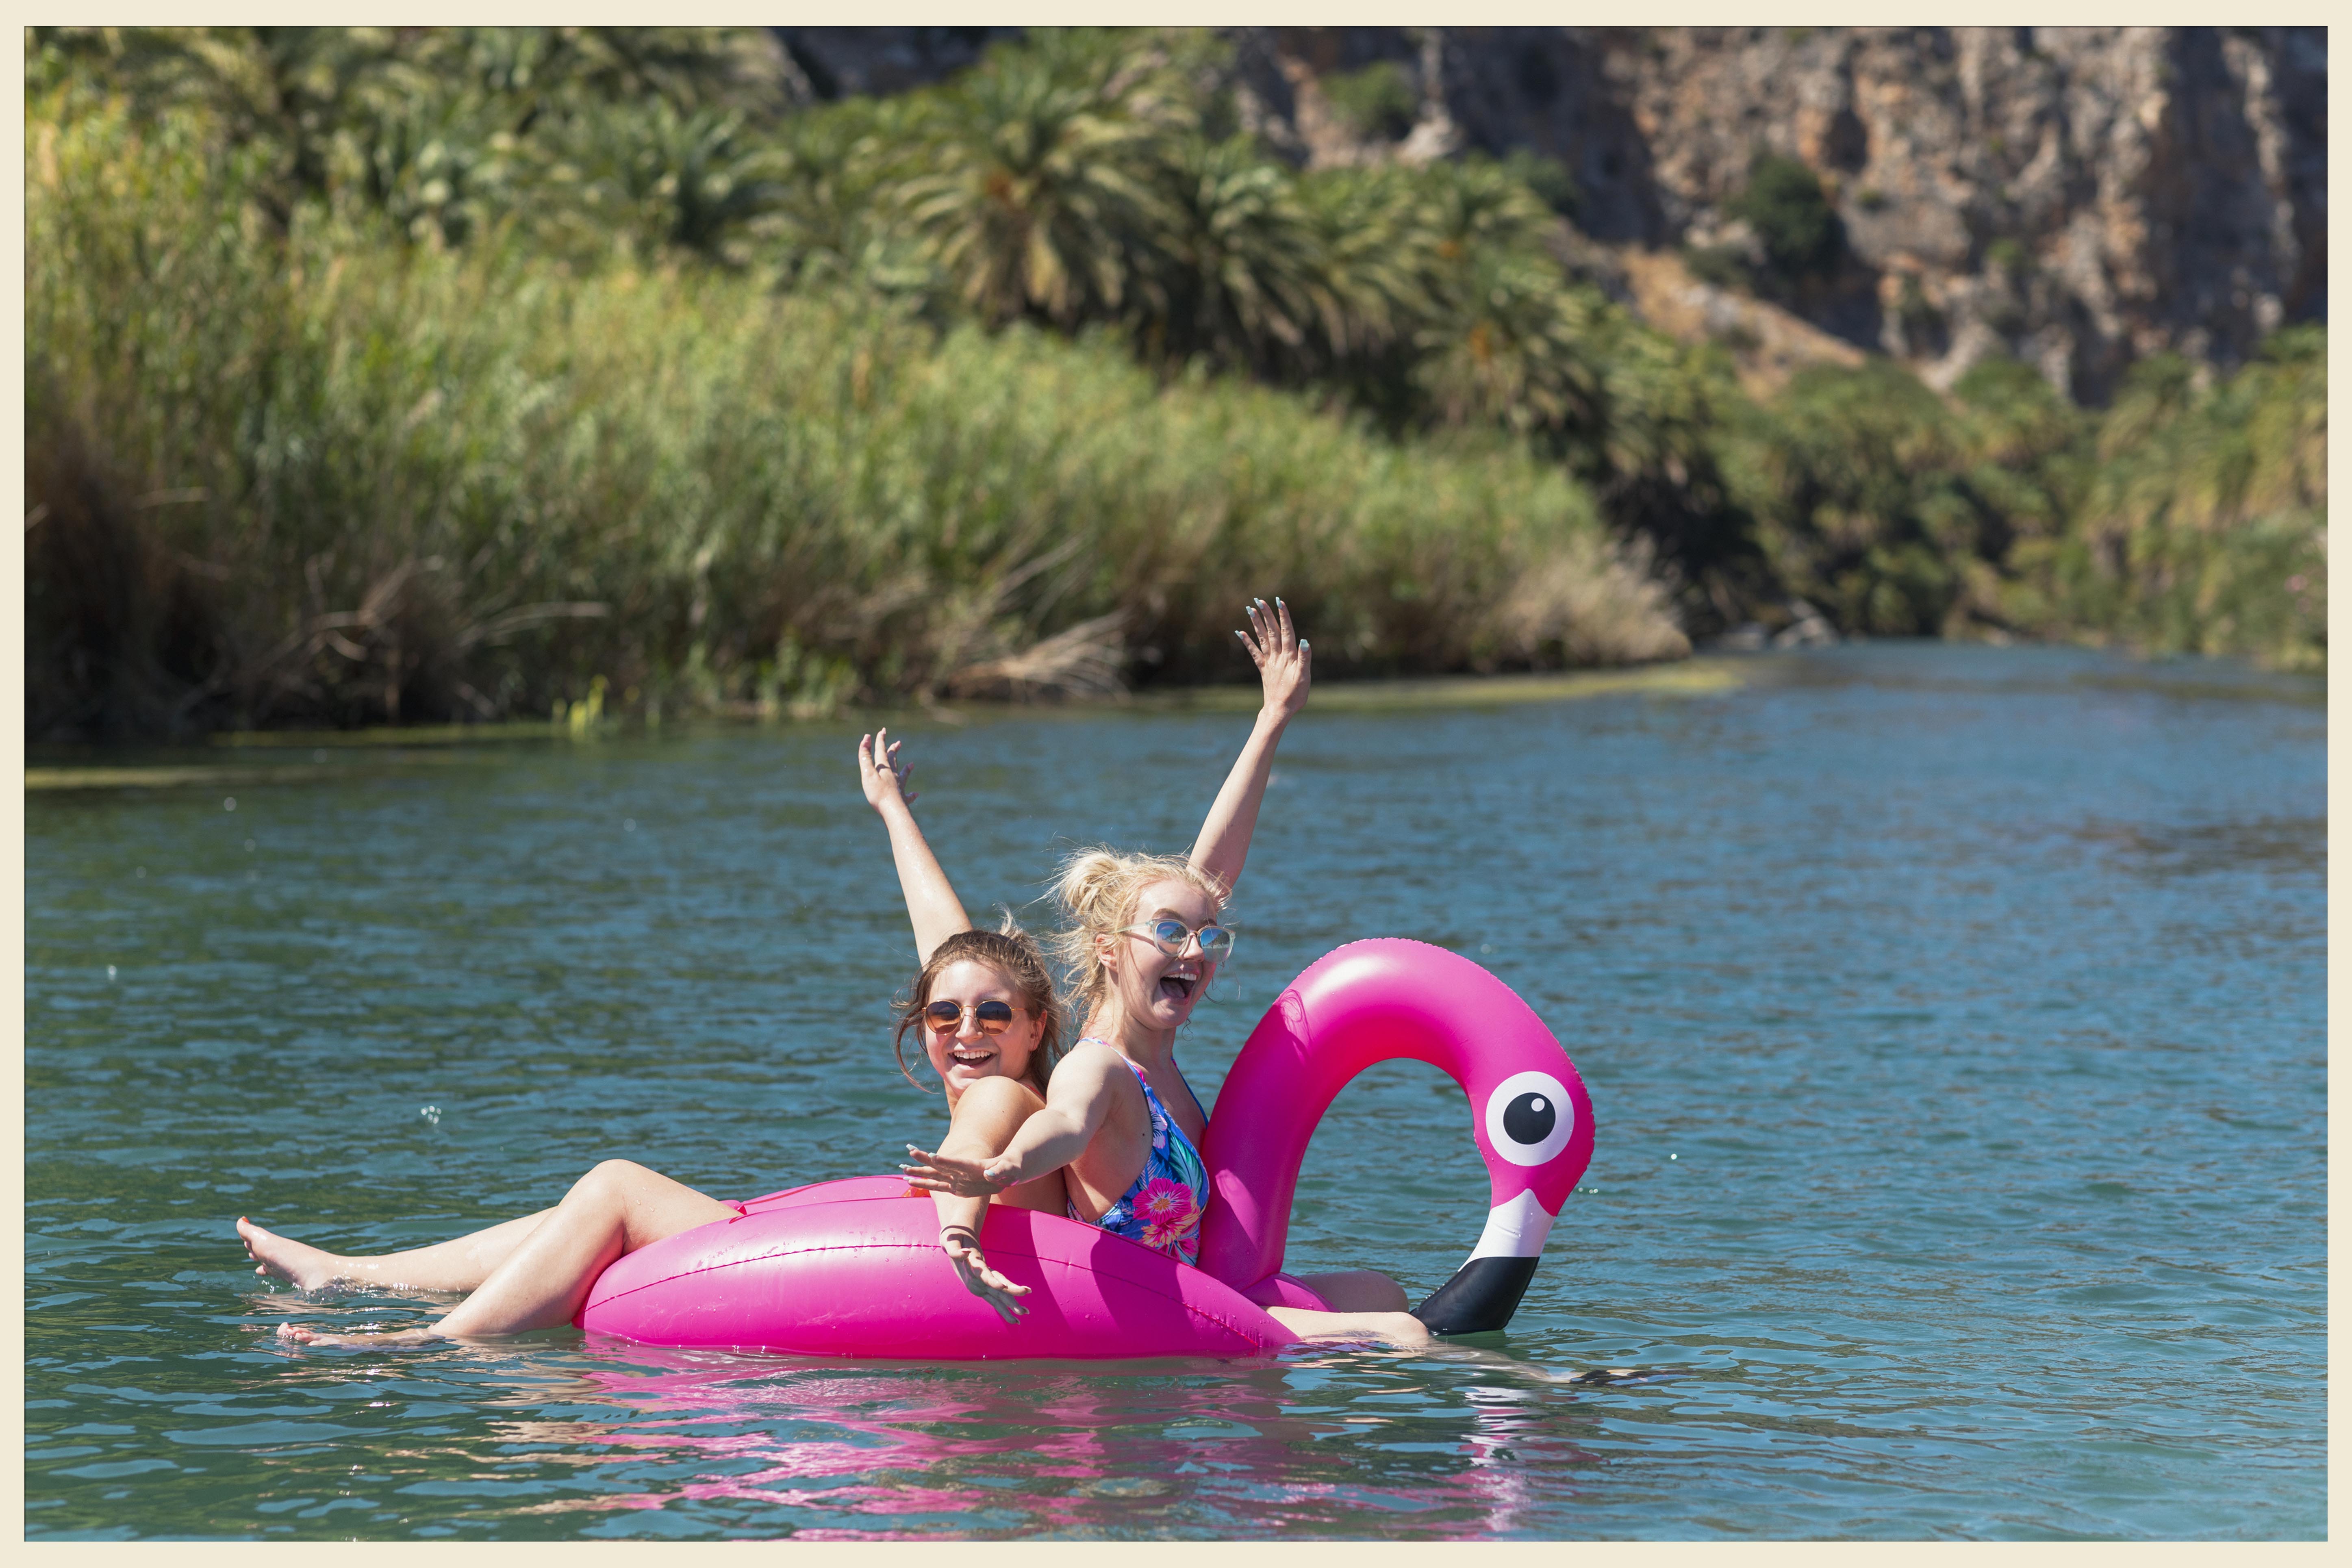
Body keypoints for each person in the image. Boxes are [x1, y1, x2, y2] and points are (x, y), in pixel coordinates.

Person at [239, 775, 1072, 1344]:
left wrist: (958, 1232)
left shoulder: (1003, 1097)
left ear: (1036, 1026)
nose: (965, 1030)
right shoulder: (1009, 1063)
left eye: (993, 1013)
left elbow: (967, 1157)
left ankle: (424, 1343)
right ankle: (351, 1273)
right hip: (915, 1240)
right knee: (574, 1221)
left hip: (959, 1263)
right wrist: (893, 810)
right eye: (943, 1012)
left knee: (614, 1185)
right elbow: (948, 944)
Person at [888, 598, 1429, 1346]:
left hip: (1201, 1298)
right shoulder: (1097, 1071)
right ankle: (1525, 1408)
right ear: (1111, 949)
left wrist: (1273, 718)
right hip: (1147, 1316)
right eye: (1170, 934)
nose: (1195, 948)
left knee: (1382, 1289)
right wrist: (1001, 1170)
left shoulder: (1160, 1062)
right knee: (1402, 1330)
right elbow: (1064, 1126)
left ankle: (1538, 1383)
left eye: (1208, 936)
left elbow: (1207, 876)